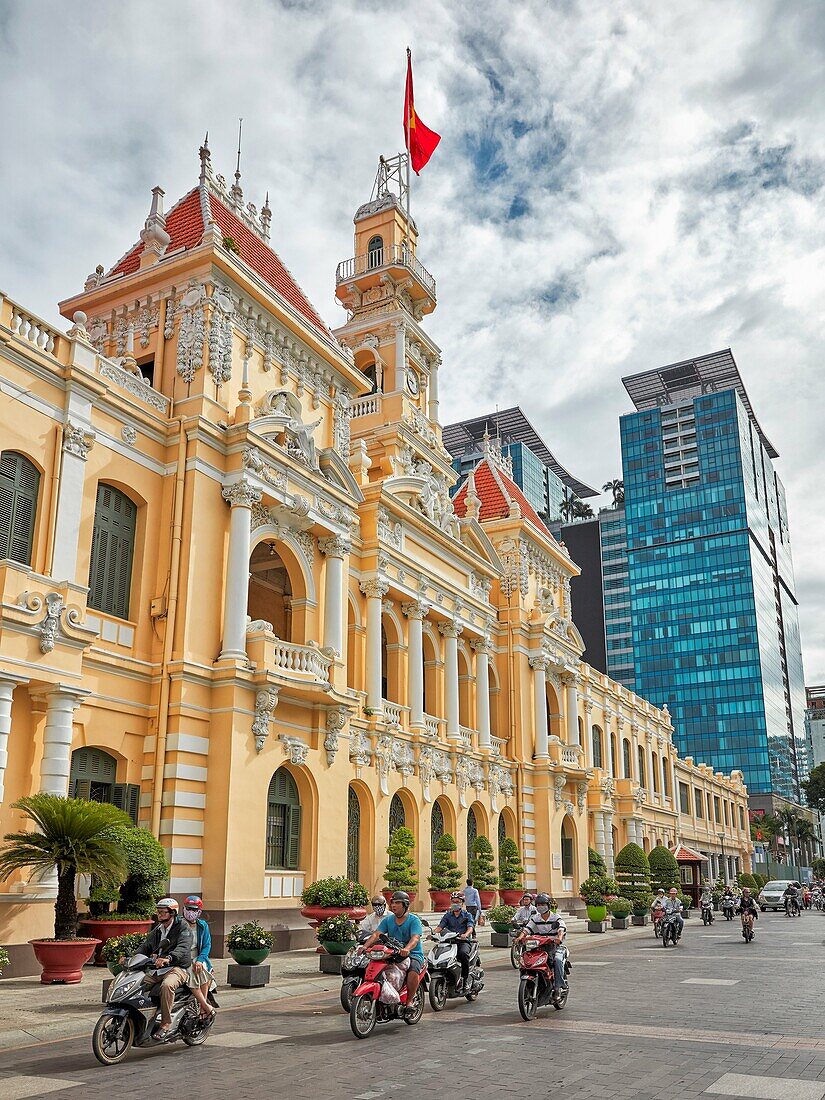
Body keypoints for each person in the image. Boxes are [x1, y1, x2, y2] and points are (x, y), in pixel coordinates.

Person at [133, 898, 193, 1040]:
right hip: (157, 969)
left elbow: (183, 947)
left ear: (172, 913)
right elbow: (146, 945)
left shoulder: (183, 927)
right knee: (136, 983)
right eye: (158, 912)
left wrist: (170, 958)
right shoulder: (158, 930)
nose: (159, 915)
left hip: (177, 968)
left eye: (162, 912)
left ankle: (165, 1024)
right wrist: (133, 957)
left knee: (167, 986)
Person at [360, 890, 425, 1018]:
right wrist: (365, 946)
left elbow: (415, 938)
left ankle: (409, 1001)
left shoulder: (414, 920)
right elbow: (376, 934)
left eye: (397, 903)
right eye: (393, 903)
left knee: (413, 971)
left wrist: (407, 948)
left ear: (405, 905)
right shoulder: (388, 920)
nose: (394, 905)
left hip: (413, 954)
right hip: (392, 952)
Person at [516, 892, 567, 998]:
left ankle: (558, 986)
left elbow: (561, 929)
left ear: (548, 905)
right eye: (538, 905)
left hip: (554, 947)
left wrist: (559, 938)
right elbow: (527, 929)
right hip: (538, 947)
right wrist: (520, 938)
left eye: (542, 904)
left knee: (557, 960)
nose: (540, 907)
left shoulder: (555, 917)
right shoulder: (535, 918)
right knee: (526, 960)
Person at [182, 895, 215, 1021]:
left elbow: (207, 945)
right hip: (183, 958)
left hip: (198, 956)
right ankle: (206, 1005)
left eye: (194, 910)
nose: (190, 912)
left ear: (199, 912)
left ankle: (202, 1006)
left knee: (202, 970)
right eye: (188, 909)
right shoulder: (179, 924)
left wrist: (200, 960)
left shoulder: (202, 926)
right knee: (190, 972)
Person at [435, 892, 475, 990]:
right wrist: (433, 934)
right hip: (449, 942)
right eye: (453, 902)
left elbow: (470, 927)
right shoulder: (448, 915)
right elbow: (440, 926)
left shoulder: (467, 915)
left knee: (463, 954)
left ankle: (465, 979)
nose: (455, 904)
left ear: (462, 903)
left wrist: (465, 934)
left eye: (457, 902)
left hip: (462, 941)